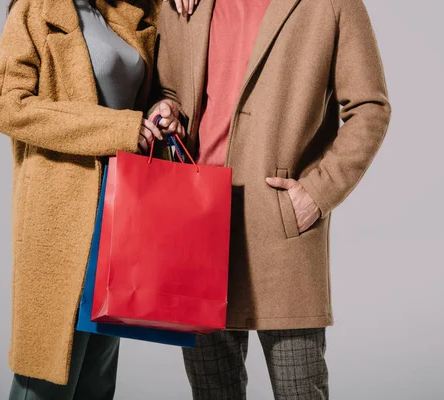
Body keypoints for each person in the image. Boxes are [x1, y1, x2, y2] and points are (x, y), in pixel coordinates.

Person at [148, 0, 392, 398]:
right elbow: (164, 87)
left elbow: (370, 108)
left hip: (280, 233)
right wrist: (165, 107)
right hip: (196, 229)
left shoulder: (332, 4)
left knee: (299, 389)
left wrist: (318, 191)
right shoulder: (181, 5)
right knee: (213, 392)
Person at [0, 0, 191, 398]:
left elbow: (152, 91)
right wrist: (117, 128)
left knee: (97, 377)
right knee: (48, 379)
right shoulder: (35, 9)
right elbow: (7, 105)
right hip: (61, 212)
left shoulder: (130, 10)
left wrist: (162, 107)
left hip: (125, 211)